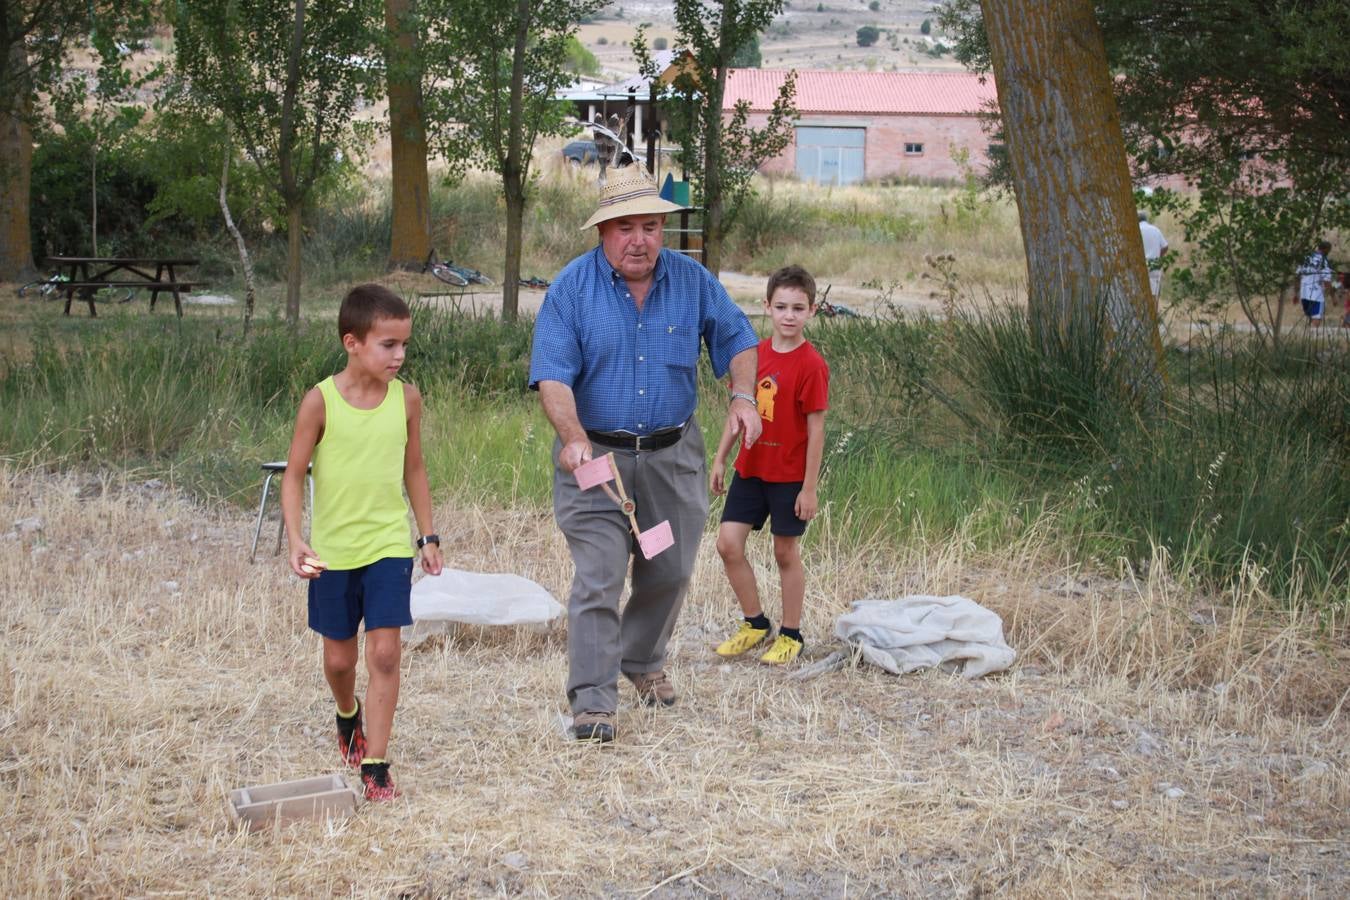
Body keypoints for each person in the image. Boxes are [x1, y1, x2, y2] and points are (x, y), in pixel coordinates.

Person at [529, 164, 761, 744]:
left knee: (671, 570)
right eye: (627, 226)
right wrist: (574, 437)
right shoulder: (571, 289)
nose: (641, 240)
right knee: (600, 576)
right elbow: (553, 376)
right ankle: (593, 703)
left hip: (672, 455)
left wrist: (741, 396)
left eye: (652, 226)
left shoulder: (693, 281)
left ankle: (641, 657)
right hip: (597, 462)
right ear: (603, 231)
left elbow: (738, 337)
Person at [281, 284, 443, 800]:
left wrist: (427, 535)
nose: (399, 356)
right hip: (333, 552)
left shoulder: (408, 399)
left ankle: (376, 763)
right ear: (352, 342)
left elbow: (413, 468)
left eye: (404, 346)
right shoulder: (320, 401)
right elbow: (292, 475)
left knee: (386, 653)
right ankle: (346, 714)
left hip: (389, 546)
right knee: (338, 661)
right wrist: (295, 539)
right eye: (388, 345)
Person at [711, 265, 829, 665]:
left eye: (799, 307)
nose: (789, 315)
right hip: (750, 469)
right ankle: (755, 623)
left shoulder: (812, 365)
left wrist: (809, 488)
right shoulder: (753, 355)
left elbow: (816, 431)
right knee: (727, 544)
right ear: (766, 307)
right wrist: (721, 457)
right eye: (781, 306)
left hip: (788, 476)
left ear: (812, 310)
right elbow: (739, 408)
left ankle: (791, 634)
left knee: (784, 553)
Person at [1297, 240, 1334, 327]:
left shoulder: (1306, 258)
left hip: (1304, 294)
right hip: (1316, 295)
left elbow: (1297, 275)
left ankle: (1307, 338)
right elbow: (1327, 281)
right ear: (1326, 249)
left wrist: (1296, 292)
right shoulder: (1323, 261)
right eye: (1329, 250)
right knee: (1316, 320)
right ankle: (1312, 337)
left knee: (1310, 318)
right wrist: (1333, 297)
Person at [1138, 211, 1169, 300]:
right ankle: (1153, 313)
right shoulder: (1156, 230)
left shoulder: (1136, 231)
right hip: (1154, 265)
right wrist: (1158, 256)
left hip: (1140, 265)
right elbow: (1165, 247)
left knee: (1141, 295)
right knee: (1153, 296)